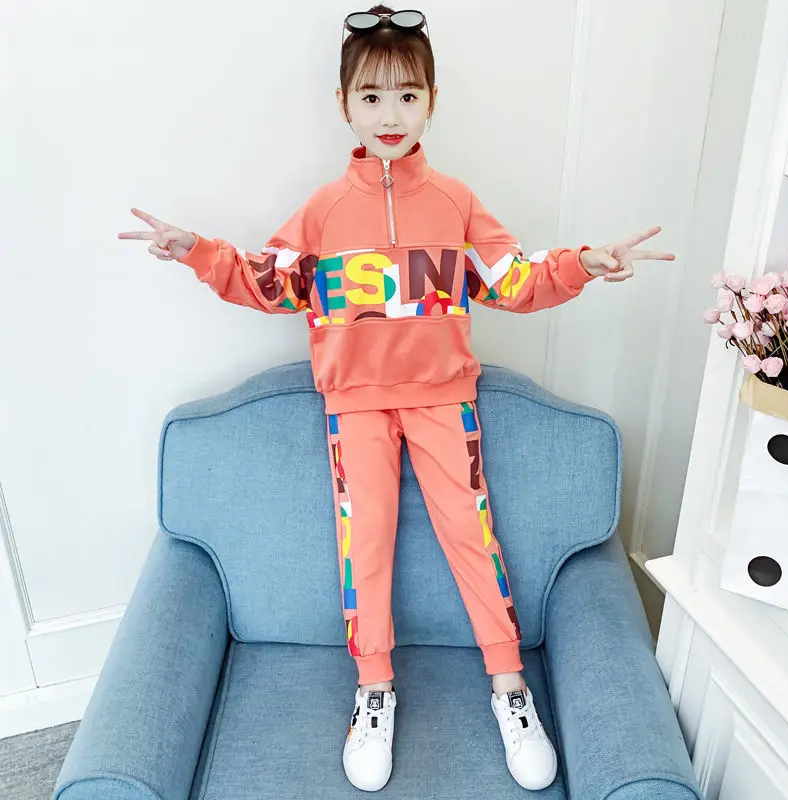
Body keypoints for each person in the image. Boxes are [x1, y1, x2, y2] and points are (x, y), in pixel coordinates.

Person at [119, 6, 674, 792]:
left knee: (473, 537)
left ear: (432, 102)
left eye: (408, 96)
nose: (390, 114)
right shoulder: (322, 211)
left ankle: (510, 689)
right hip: (353, 405)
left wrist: (585, 262)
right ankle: (373, 691)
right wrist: (196, 252)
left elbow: (513, 279)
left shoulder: (455, 202)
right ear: (344, 104)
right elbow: (269, 282)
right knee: (366, 545)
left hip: (445, 399)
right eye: (372, 96)